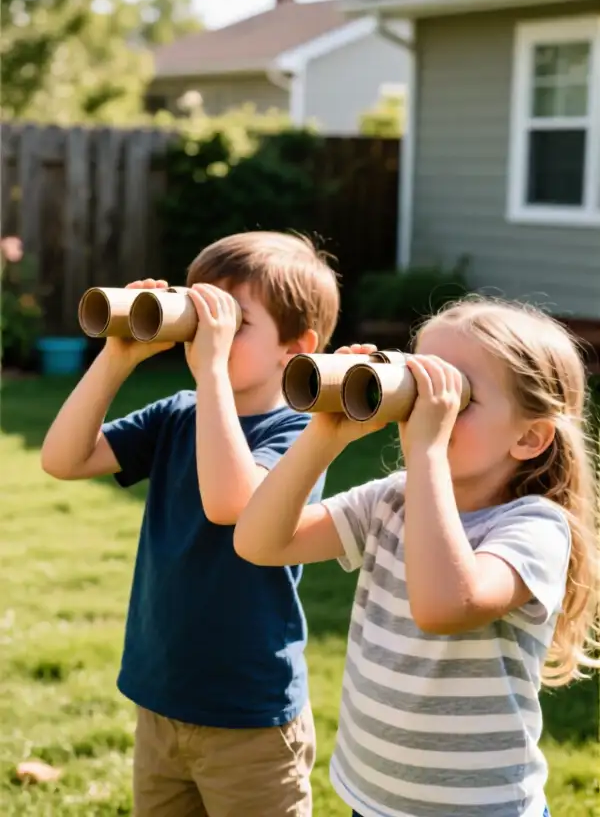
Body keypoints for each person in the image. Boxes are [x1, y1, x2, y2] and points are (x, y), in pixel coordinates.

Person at [234, 296, 600, 817]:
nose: (428, 408)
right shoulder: (394, 498)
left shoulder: (535, 528)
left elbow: (443, 605)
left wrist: (428, 451)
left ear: (529, 436)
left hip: (479, 807)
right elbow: (260, 542)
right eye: (419, 384)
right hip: (374, 796)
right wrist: (324, 434)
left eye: (456, 397)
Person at [41, 230, 341, 817]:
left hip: (249, 714)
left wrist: (211, 375)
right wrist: (116, 357)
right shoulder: (180, 414)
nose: (209, 331)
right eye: (200, 307)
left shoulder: (301, 433)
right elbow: (63, 458)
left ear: (295, 346)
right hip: (161, 696)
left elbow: (230, 504)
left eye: (232, 320)